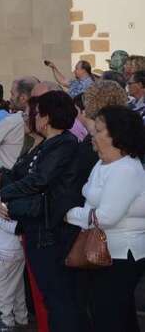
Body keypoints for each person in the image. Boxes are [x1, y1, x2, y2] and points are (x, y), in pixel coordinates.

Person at [0, 91, 82, 332]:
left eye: (36, 113)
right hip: (37, 228)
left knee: (57, 297)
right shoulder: (47, 144)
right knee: (50, 295)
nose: (33, 118)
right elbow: (18, 172)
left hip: (50, 232)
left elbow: (39, 180)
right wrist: (4, 189)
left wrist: (5, 194)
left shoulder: (64, 144)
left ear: (46, 118)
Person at [66, 106, 145, 331]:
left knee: (109, 317)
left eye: (99, 130)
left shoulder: (125, 169)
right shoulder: (103, 163)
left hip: (121, 255)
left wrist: (71, 214)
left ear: (116, 135)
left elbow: (106, 217)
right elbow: (92, 201)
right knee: (118, 316)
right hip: (104, 251)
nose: (92, 133)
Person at [0, 169, 28, 332]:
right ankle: (21, 317)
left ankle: (7, 321)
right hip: (15, 251)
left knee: (2, 284)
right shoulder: (9, 201)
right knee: (17, 286)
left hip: (9, 252)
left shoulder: (4, 204)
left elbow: (14, 227)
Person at [0, 77, 39, 170]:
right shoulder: (44, 121)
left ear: (23, 98)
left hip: (8, 175)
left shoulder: (12, 120)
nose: (10, 98)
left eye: (12, 94)